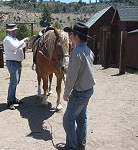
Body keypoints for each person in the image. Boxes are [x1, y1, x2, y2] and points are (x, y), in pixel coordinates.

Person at [62, 22, 96, 150]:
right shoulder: (88, 51)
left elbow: (71, 78)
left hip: (79, 92)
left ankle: (72, 147)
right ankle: (80, 145)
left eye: (71, 34)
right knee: (81, 118)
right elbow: (83, 71)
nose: (70, 37)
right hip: (88, 89)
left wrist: (66, 93)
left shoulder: (76, 52)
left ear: (76, 36)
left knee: (68, 120)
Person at [3, 24, 29, 110]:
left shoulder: (13, 39)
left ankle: (13, 98)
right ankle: (10, 100)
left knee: (16, 81)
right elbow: (15, 47)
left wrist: (25, 43)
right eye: (14, 30)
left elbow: (19, 46)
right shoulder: (7, 39)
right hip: (12, 63)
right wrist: (24, 40)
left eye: (15, 30)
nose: (15, 31)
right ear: (9, 31)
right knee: (13, 81)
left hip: (16, 62)